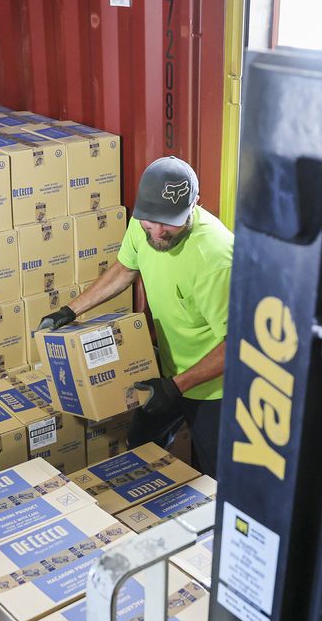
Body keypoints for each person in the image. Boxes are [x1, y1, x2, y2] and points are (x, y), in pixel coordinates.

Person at [39, 156, 233, 476]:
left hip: (216, 390)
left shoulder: (216, 258)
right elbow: (126, 267)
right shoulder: (143, 221)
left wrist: (175, 387)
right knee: (141, 445)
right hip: (170, 371)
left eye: (168, 222)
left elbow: (237, 346)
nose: (157, 232)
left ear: (194, 205)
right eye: (149, 221)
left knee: (219, 479)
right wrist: (70, 310)